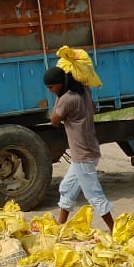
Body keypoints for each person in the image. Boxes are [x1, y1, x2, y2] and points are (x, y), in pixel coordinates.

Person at [44, 66, 113, 230]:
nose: (50, 91)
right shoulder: (84, 91)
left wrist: (58, 97)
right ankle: (61, 223)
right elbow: (93, 109)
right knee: (67, 187)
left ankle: (114, 228)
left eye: (51, 87)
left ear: (60, 84)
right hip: (88, 149)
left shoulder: (66, 99)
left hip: (83, 155)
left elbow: (54, 121)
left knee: (94, 194)